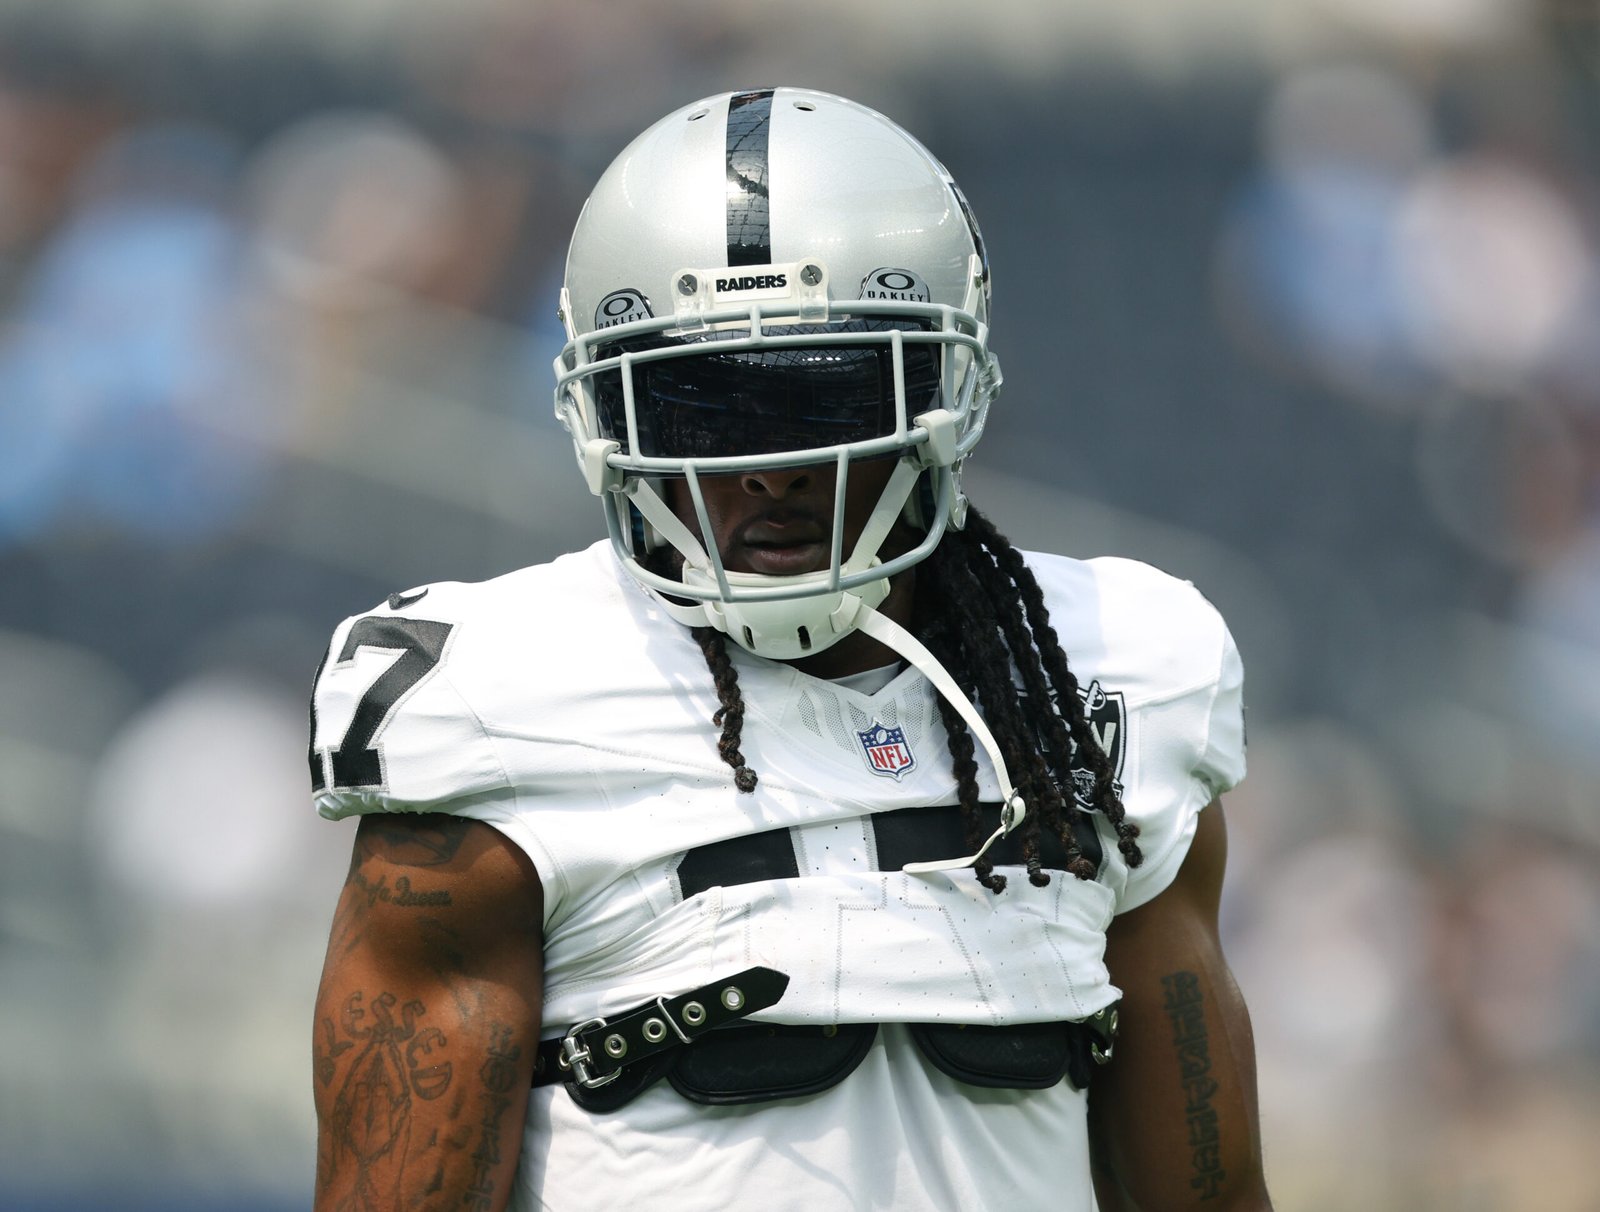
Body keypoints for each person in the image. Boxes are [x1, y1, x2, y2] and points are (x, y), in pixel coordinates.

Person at [308, 86, 1270, 1211]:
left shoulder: (1114, 674)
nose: (765, 469)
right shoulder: (491, 698)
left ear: (944, 390)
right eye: (702, 410)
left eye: (821, 398)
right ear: (606, 421)